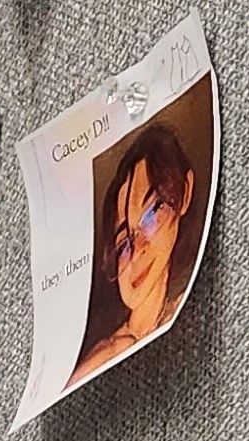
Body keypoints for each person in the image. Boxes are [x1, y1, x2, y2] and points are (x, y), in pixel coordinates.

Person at [70, 121, 198, 386]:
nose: (138, 249)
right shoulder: (106, 355)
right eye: (123, 245)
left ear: (184, 194)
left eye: (152, 213)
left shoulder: (184, 306)